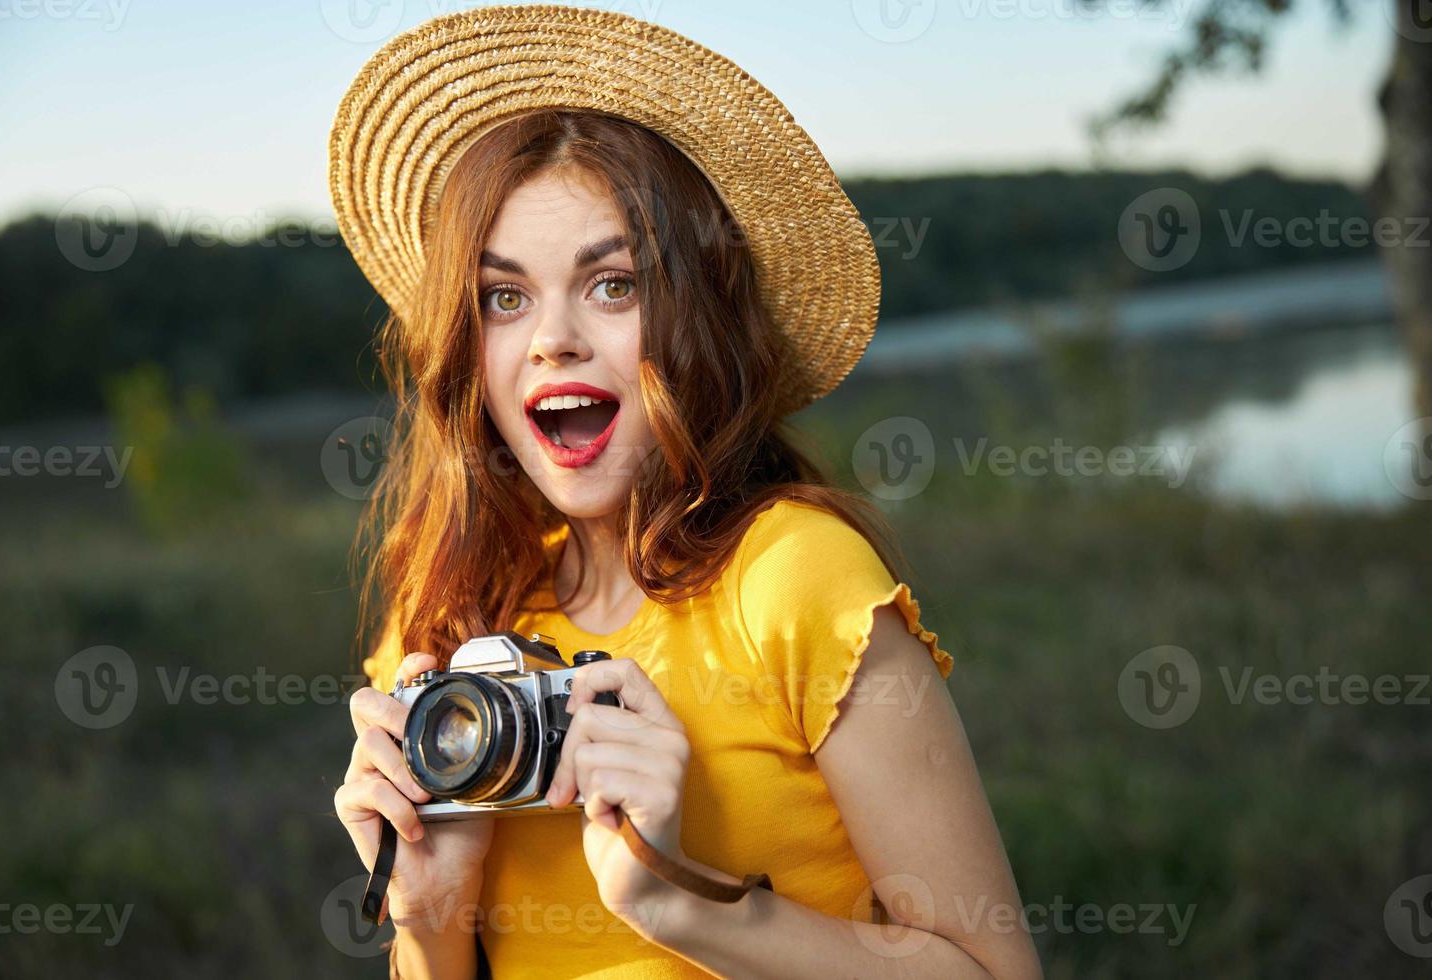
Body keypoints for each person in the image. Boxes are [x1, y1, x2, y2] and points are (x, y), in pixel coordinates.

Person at [329, 6, 1040, 978]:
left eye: (612, 283)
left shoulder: (794, 578)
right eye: (504, 296)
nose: (551, 339)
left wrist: (679, 901)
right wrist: (427, 910)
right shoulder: (451, 622)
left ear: (695, 316)